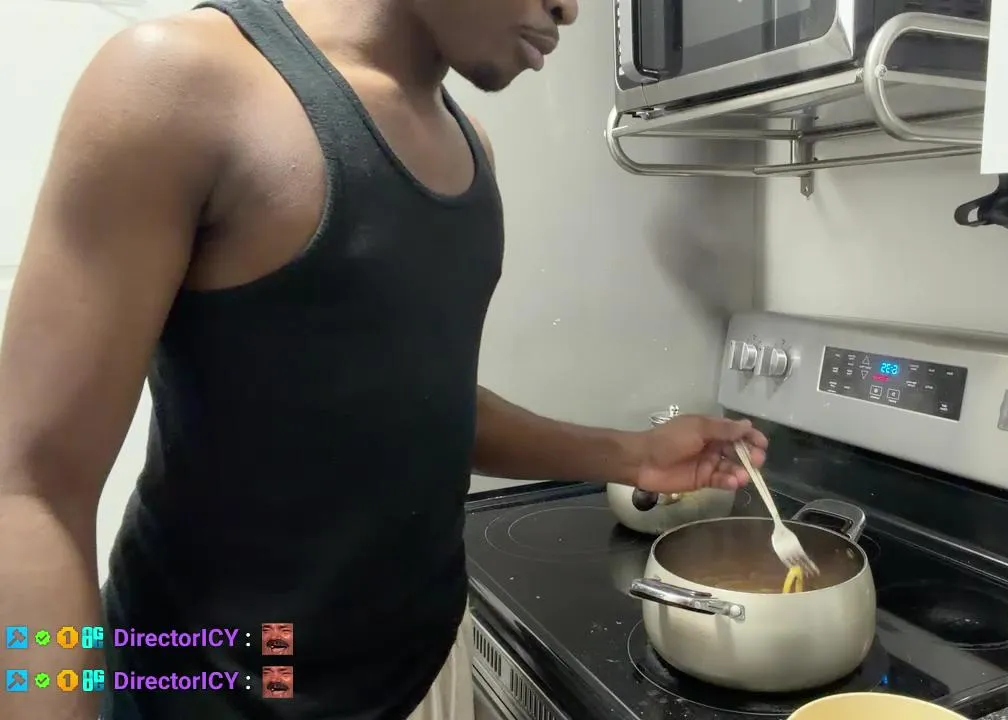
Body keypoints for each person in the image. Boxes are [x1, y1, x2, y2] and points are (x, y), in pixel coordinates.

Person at [0, 0, 769, 718]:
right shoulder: (179, 82)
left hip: (398, 681)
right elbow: (29, 489)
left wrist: (633, 456)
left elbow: (408, 399)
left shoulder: (471, 149)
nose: (570, 7)